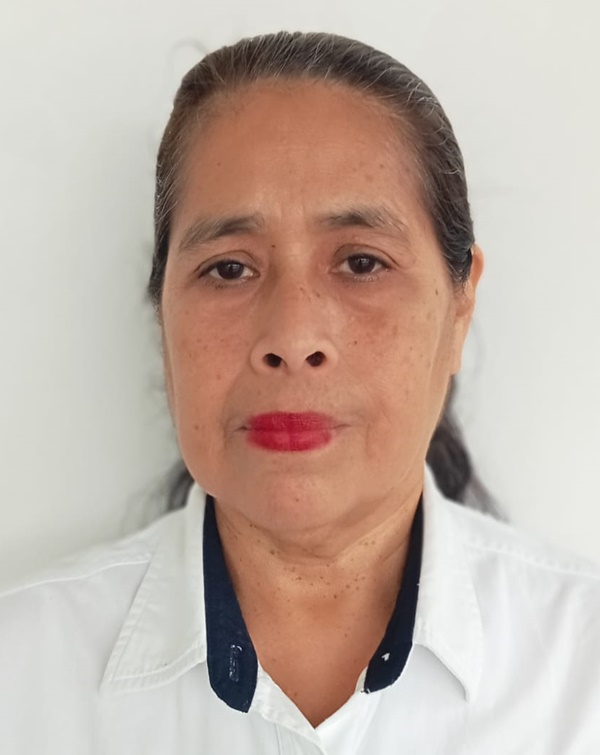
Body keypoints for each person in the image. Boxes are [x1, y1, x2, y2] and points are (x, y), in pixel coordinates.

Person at [1, 30, 599, 754]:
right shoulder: (21, 682)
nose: (291, 335)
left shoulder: (582, 677)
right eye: (229, 269)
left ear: (459, 307)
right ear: (163, 313)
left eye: (361, 262)